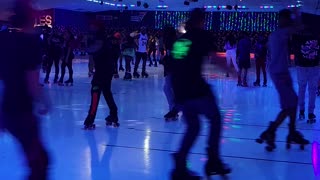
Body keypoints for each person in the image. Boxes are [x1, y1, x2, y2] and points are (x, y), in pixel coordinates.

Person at [170, 8, 231, 179]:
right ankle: (213, 159)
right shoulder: (202, 35)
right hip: (195, 88)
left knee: (194, 126)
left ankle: (180, 162)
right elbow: (215, 58)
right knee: (215, 118)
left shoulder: (181, 40)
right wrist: (231, 71)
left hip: (180, 90)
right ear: (202, 20)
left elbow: (175, 64)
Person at [0, 0, 51, 179]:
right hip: (22, 111)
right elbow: (32, 82)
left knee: (38, 159)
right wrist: (44, 101)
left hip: (8, 109)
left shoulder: (4, 39)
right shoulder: (30, 42)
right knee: (40, 162)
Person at [256, 8, 309, 151]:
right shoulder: (280, 33)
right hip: (279, 73)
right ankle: (271, 131)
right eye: (287, 19)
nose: (288, 22)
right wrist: (297, 14)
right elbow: (300, 27)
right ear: (283, 20)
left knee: (293, 102)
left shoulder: (278, 34)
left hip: (282, 72)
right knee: (288, 106)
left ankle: (289, 132)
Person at [84, 21, 119, 129]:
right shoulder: (102, 38)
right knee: (106, 92)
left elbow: (92, 49)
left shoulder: (100, 38)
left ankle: (90, 119)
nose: (90, 27)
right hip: (105, 70)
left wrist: (85, 44)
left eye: (92, 26)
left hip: (102, 71)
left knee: (95, 92)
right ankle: (113, 114)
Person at [293, 26, 320, 123]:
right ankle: (304, 111)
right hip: (304, 67)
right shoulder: (299, 34)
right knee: (307, 89)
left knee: (308, 89)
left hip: (311, 67)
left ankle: (307, 111)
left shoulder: (298, 34)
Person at [162, 25, 179, 120]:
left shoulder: (172, 42)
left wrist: (166, 60)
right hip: (172, 69)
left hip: (173, 69)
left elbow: (174, 57)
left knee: (167, 88)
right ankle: (174, 109)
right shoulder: (171, 42)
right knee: (168, 88)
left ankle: (174, 109)